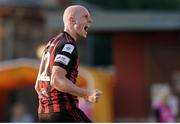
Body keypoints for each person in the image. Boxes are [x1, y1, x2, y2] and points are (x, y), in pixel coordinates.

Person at [35, 5, 102, 122]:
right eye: (85, 17)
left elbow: (38, 85)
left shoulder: (51, 43)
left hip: (43, 113)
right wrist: (86, 94)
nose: (90, 20)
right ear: (72, 20)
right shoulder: (68, 45)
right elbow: (57, 80)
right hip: (63, 112)